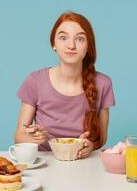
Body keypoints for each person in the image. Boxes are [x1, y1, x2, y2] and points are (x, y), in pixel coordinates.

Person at [14, 11, 115, 159]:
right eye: (63, 37)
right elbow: (19, 138)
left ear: (88, 47)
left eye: (80, 39)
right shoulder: (34, 81)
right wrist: (33, 138)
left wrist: (91, 145)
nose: (71, 45)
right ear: (54, 44)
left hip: (84, 164)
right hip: (44, 162)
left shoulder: (103, 83)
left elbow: (102, 138)